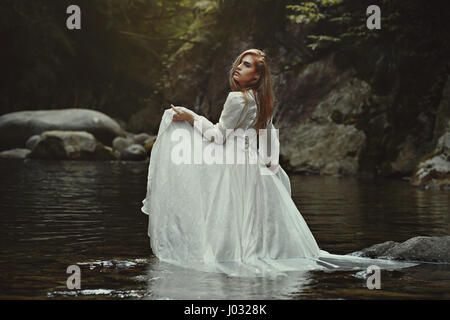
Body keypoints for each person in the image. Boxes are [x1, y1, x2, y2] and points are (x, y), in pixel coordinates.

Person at [141, 49, 417, 278]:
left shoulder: (237, 98)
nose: (239, 67)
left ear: (257, 75)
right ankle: (252, 256)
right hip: (252, 163)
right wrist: (272, 167)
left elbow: (217, 136)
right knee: (249, 219)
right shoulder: (264, 100)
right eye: (240, 62)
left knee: (229, 214)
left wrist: (191, 117)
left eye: (247, 65)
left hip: (232, 163)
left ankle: (230, 260)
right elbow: (269, 136)